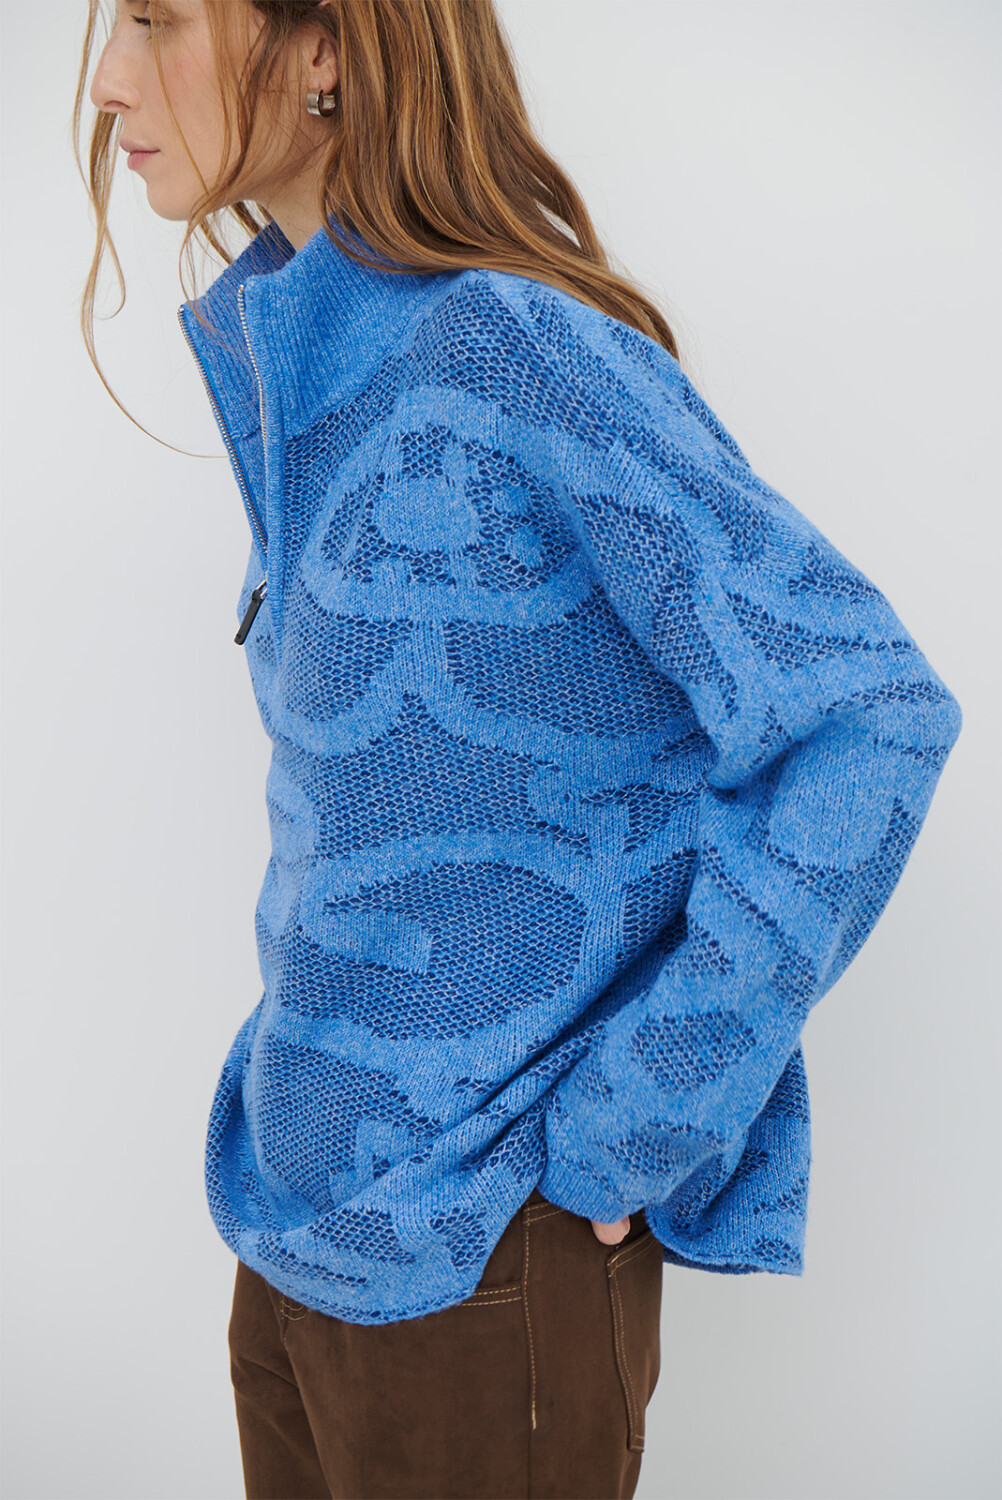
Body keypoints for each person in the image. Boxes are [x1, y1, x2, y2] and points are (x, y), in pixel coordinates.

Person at [80, 3, 962, 1497]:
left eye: (156, 18)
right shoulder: (303, 352)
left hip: (485, 1260)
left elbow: (868, 713)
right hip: (297, 1238)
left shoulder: (512, 347)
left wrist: (639, 1121)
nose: (108, 80)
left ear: (325, 47)